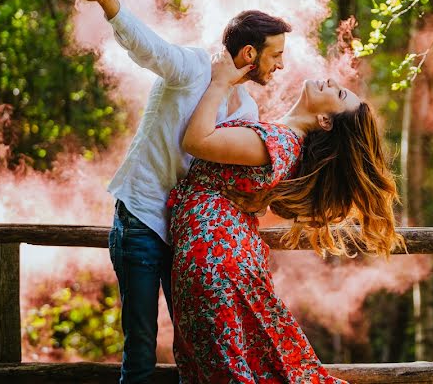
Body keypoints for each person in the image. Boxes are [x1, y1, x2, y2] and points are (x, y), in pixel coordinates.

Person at [68, 0, 291, 384]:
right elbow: (147, 48)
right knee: (140, 349)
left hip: (191, 238)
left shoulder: (247, 111)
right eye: (275, 55)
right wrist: (108, 2)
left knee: (197, 344)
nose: (280, 65)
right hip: (142, 220)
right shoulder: (190, 68)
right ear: (248, 54)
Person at [168, 50, 404, 384]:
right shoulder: (285, 144)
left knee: (233, 372)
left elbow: (196, 140)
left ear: (325, 121)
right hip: (221, 259)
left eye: (337, 94)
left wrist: (220, 82)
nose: (332, 81)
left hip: (215, 262)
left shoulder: (278, 142)